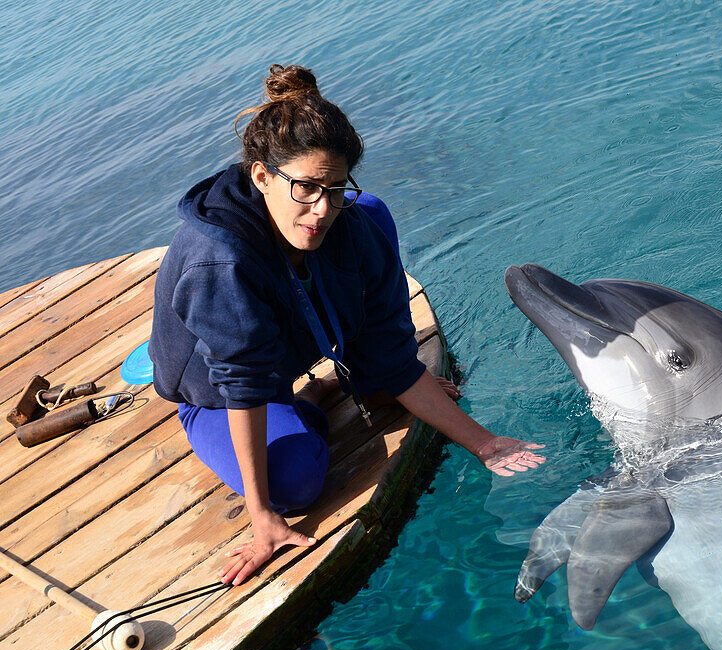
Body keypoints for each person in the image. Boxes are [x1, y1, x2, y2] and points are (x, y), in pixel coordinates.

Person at [149, 64, 544, 586]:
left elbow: (390, 349)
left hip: (293, 346)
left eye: (336, 188)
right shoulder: (219, 261)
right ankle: (308, 401)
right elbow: (241, 387)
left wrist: (485, 443)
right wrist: (262, 518)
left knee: (371, 218)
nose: (322, 208)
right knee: (295, 484)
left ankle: (347, 384)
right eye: (307, 188)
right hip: (216, 392)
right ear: (262, 176)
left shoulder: (345, 222)